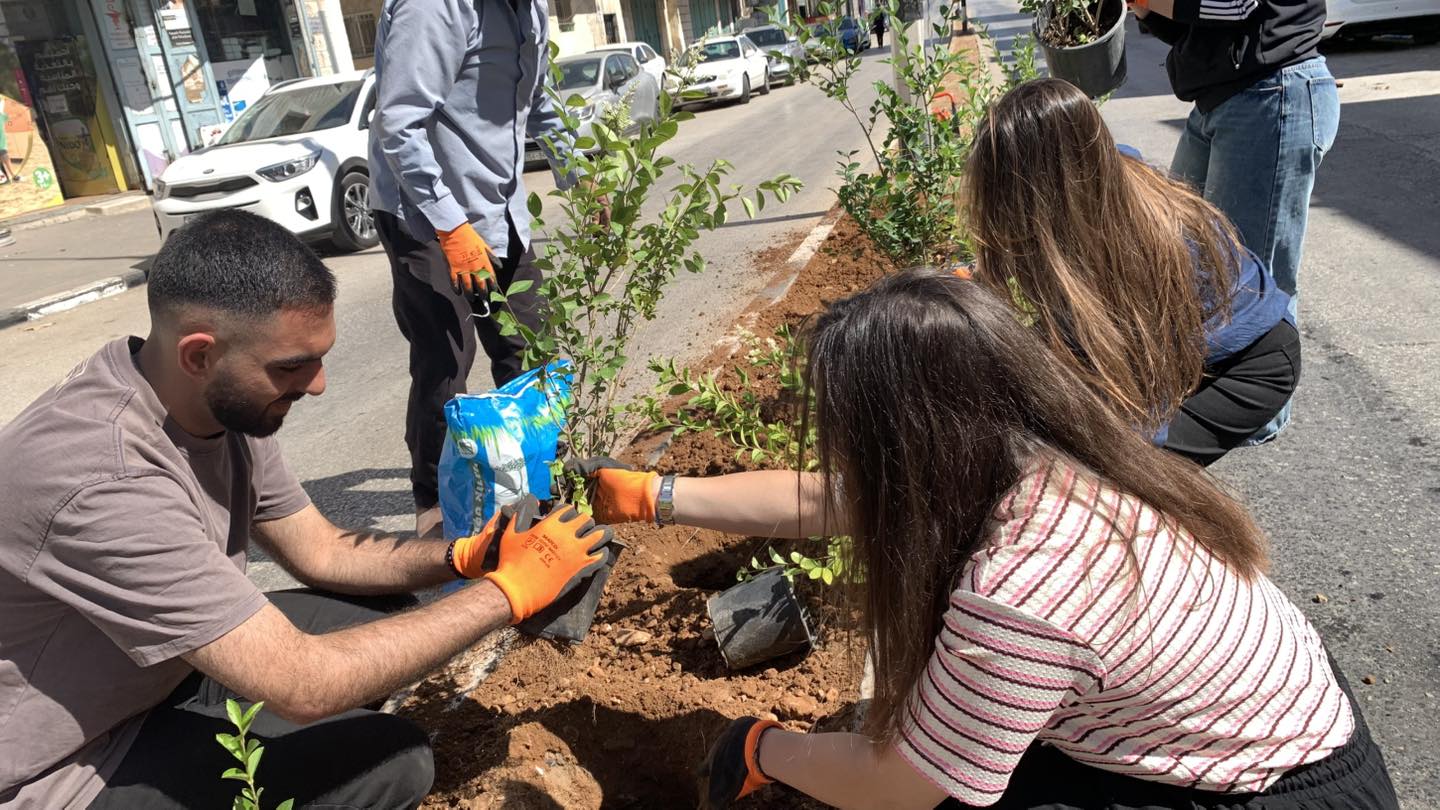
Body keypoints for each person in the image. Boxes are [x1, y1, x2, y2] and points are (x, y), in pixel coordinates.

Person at [579, 270, 1397, 810]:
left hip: (1273, 793)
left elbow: (900, 782)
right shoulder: (1049, 457)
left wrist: (765, 746)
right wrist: (656, 494)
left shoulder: (1020, 590)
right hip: (1280, 728)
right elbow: (831, 501)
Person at [0, 210, 612, 810]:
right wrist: (507, 592)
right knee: (394, 761)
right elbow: (304, 685)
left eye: (318, 357)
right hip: (69, 766)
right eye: (293, 366)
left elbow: (322, 552)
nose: (317, 385)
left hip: (156, 672)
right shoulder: (106, 479)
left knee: (380, 613)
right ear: (198, 354)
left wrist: (463, 557)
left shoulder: (219, 403)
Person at [966, 78, 1299, 465]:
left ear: (1041, 192)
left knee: (1128, 469)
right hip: (1188, 342)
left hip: (1251, 364)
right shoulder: (1101, 182)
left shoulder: (1130, 250)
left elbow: (1141, 391)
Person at [369, 0, 581, 539]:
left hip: (498, 209)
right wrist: (451, 227)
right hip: (426, 215)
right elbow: (399, 124)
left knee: (531, 350)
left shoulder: (528, 10)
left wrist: (581, 174)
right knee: (446, 362)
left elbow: (537, 103)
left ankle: (541, 484)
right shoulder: (433, 9)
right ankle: (434, 507)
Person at [1131, 0, 1338, 330]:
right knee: (1179, 258)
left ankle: (1252, 379)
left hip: (1270, 92)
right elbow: (1209, 27)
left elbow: (1233, 5)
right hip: (1223, 99)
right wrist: (1146, 11)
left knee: (1251, 288)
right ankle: (1207, 376)